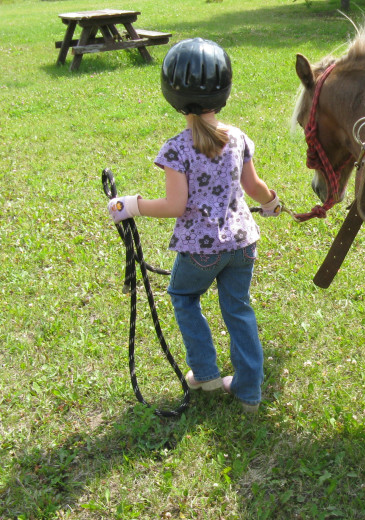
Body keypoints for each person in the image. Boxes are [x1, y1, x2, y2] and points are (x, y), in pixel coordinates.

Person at [107, 38, 279, 413]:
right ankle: (249, 393)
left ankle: (205, 374)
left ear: (172, 94)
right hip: (243, 243)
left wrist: (131, 206)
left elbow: (175, 205)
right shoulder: (238, 138)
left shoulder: (177, 148)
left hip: (201, 250)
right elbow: (254, 187)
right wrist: (271, 203)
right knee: (238, 309)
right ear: (225, 90)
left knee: (184, 297)